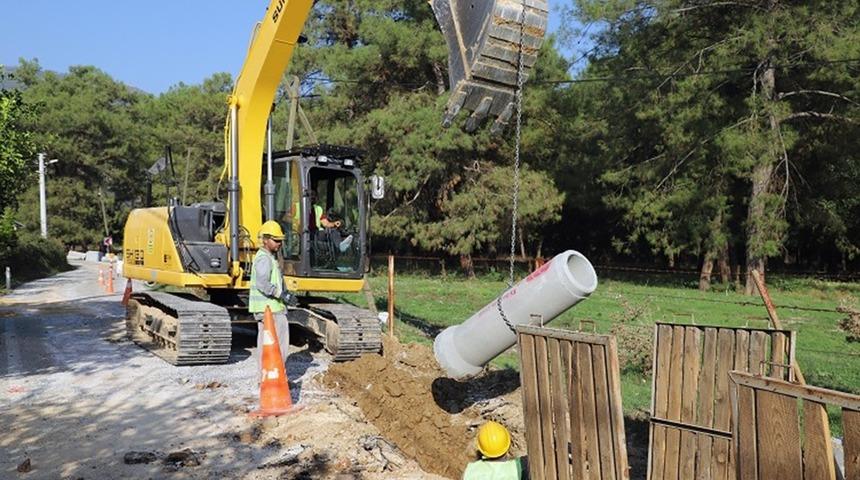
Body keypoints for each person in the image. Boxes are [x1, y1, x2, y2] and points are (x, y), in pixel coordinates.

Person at [249, 221, 296, 369]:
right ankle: (276, 378)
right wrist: (281, 294)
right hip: (271, 310)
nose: (279, 244)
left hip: (270, 309)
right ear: (265, 239)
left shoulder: (267, 257)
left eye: (280, 240)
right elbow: (262, 283)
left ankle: (267, 378)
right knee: (278, 345)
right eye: (275, 240)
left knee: (267, 345)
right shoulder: (264, 258)